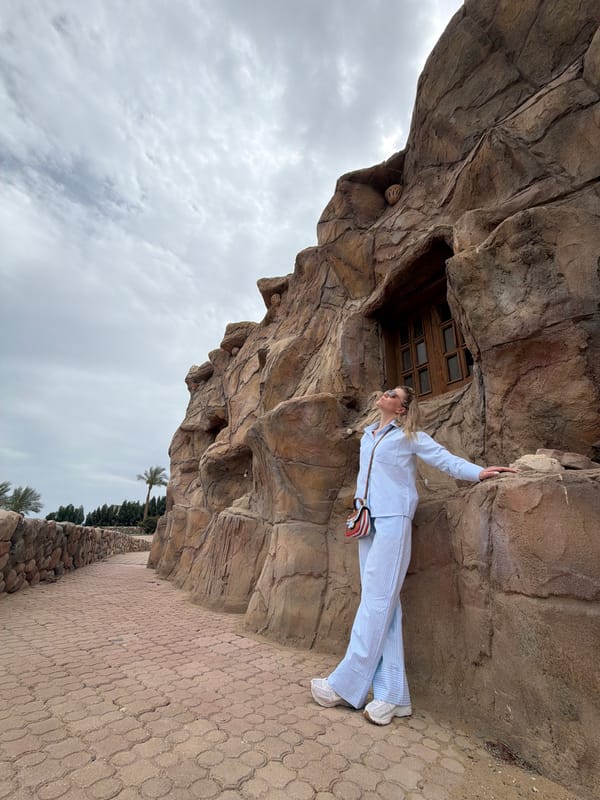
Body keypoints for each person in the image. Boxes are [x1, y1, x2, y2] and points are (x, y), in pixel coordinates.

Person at [311, 385, 517, 725]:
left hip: (394, 520)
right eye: (387, 391)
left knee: (377, 602)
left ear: (402, 409)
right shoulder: (367, 436)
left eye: (394, 394)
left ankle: (346, 685)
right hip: (367, 522)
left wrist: (478, 472)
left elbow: (444, 460)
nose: (386, 394)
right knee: (384, 605)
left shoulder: (410, 436)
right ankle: (394, 697)